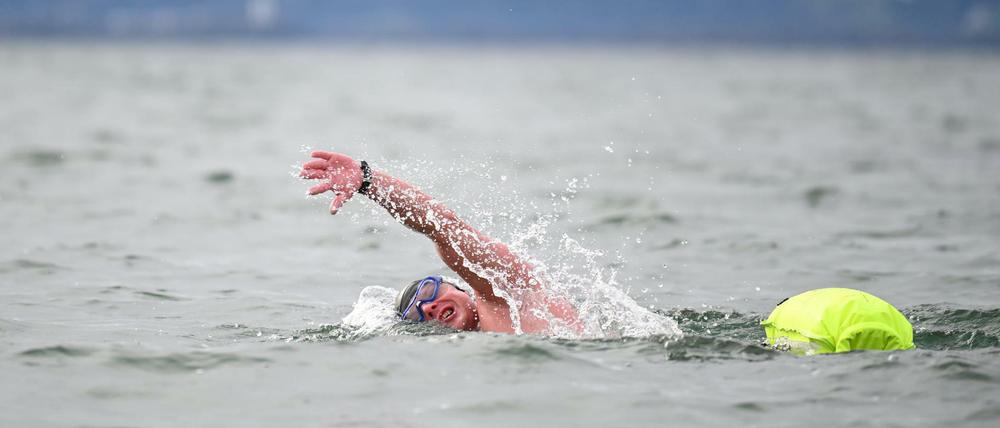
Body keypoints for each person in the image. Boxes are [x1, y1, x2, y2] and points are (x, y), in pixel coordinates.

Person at [299, 150, 580, 335]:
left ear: (462, 287)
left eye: (428, 291)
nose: (428, 307)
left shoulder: (503, 294)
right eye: (416, 314)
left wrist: (369, 181)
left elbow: (444, 229)